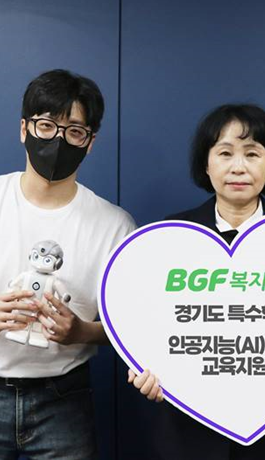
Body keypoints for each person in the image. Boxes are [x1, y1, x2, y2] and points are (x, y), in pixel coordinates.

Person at [130, 103, 265, 459]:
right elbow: (149, 323)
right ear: (206, 164)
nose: (238, 167)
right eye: (225, 153)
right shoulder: (169, 238)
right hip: (188, 433)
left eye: (252, 153)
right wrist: (144, 363)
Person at [0, 69, 136, 459]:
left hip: (64, 396)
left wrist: (80, 331)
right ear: (24, 129)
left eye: (74, 131)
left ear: (90, 143)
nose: (57, 140)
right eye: (46, 126)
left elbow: (130, 327)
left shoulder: (115, 225)